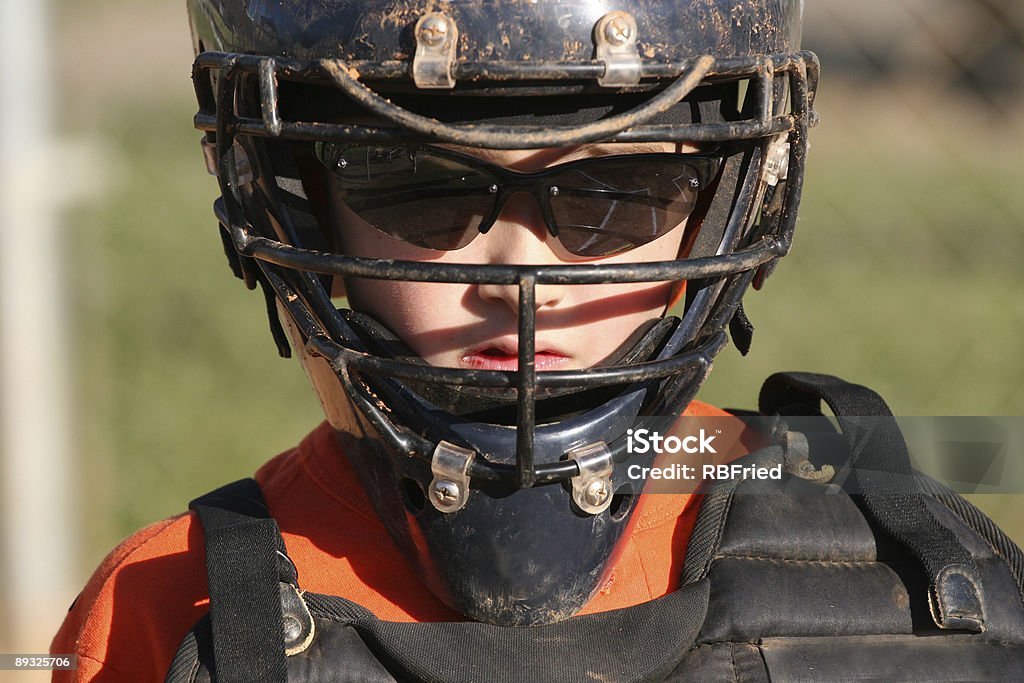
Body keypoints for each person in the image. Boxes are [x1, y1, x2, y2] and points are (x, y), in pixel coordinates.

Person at [53, 0, 1024, 680]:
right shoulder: (168, 601)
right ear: (298, 205)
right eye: (421, 187)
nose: (523, 273)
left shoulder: (914, 560)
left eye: (617, 192)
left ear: (732, 202)